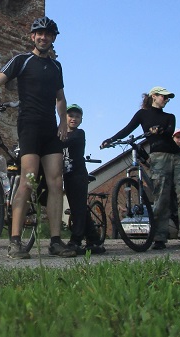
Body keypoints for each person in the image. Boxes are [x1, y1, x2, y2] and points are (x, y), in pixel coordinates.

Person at [0, 16, 76, 259]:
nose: (43, 37)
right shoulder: (22, 61)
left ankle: (55, 241)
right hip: (29, 126)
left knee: (56, 183)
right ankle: (15, 241)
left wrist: (63, 121)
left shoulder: (56, 67)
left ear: (53, 38)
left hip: (50, 129)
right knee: (28, 180)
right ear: (33, 37)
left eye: (48, 34)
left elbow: (60, 97)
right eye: (39, 33)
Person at [101, 86, 180, 250]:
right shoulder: (142, 114)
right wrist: (111, 139)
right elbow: (128, 128)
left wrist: (160, 129)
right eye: (164, 97)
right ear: (154, 96)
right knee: (161, 196)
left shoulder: (170, 116)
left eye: (168, 98)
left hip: (177, 156)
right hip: (158, 157)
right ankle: (159, 237)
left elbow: (169, 131)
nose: (166, 100)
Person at [62, 103, 105, 255]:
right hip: (67, 175)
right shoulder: (60, 133)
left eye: (77, 116)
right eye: (70, 116)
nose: (74, 119)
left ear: (81, 120)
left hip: (78, 175)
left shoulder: (79, 133)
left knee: (77, 209)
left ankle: (76, 240)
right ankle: (93, 240)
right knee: (79, 208)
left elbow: (64, 143)